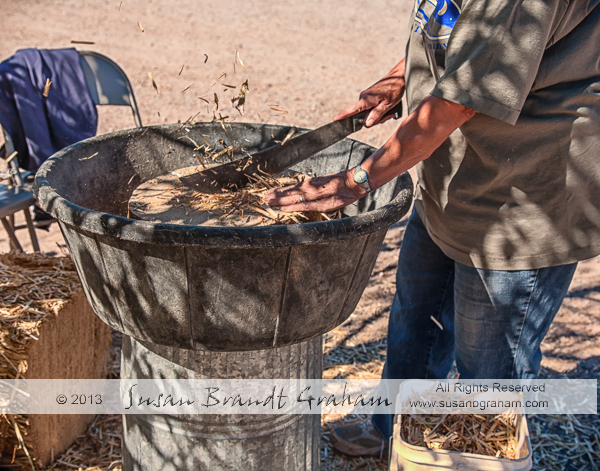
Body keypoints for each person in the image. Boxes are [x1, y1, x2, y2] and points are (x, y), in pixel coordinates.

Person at [264, 0, 600, 457]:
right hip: (456, 179)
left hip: (522, 197)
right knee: (415, 323)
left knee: (488, 373)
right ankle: (393, 433)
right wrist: (402, 76)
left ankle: (469, 461)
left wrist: (357, 180)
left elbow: (457, 101)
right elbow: (447, 24)